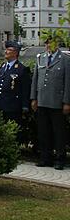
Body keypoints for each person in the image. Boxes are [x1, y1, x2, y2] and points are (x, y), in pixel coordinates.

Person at [30, 35, 70, 170]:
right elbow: (35, 79)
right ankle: (45, 157)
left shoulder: (65, 60)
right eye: (46, 44)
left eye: (51, 44)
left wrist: (66, 102)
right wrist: (34, 98)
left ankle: (60, 159)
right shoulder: (40, 58)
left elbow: (67, 82)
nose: (48, 46)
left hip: (57, 102)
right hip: (42, 101)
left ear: (57, 45)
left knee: (58, 133)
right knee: (43, 131)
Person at [0, 40, 31, 145]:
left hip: (12, 106)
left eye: (9, 50)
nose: (6, 52)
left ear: (16, 53)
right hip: (0, 104)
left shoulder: (21, 69)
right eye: (6, 49)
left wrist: (24, 106)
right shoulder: (1, 67)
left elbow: (25, 89)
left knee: (13, 132)